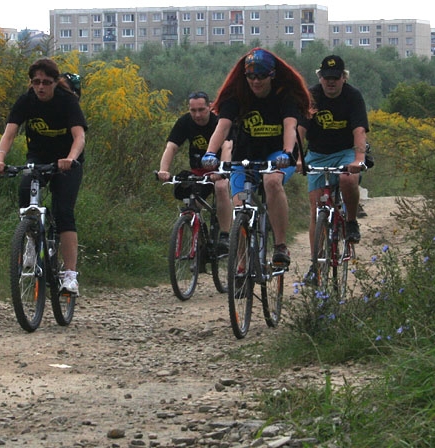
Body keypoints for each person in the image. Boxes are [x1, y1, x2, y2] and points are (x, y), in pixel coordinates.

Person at [201, 47, 312, 268]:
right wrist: (210, 153)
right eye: (251, 76)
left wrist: (289, 153)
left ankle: (280, 245)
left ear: (272, 75)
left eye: (261, 76)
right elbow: (222, 127)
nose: (256, 81)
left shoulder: (284, 96)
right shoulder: (238, 96)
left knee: (272, 181)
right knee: (240, 205)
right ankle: (241, 264)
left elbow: (290, 125)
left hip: (278, 153)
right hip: (245, 155)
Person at [0, 58, 87, 296]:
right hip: (38, 157)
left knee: (64, 212)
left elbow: (79, 137)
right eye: (36, 82)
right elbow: (10, 133)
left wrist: (71, 158)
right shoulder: (26, 101)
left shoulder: (67, 102)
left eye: (46, 82)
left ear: (55, 82)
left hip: (67, 160)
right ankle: (31, 240)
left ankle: (70, 275)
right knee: (25, 189)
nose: (41, 87)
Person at [298, 55, 369, 282]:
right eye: (326, 78)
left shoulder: (353, 96)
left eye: (335, 78)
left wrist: (358, 159)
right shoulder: (312, 96)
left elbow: (359, 130)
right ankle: (315, 265)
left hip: (345, 151)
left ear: (343, 78)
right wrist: (298, 157)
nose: (331, 82)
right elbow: (299, 129)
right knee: (315, 210)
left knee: (348, 179)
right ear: (320, 78)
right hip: (317, 154)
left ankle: (350, 221)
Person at [157, 91, 233, 253]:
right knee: (191, 204)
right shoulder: (184, 122)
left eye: (201, 110)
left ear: (210, 107)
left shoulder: (218, 122)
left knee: (221, 188)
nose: (197, 115)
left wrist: (222, 171)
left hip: (220, 169)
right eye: (193, 111)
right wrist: (164, 170)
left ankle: (225, 235)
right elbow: (171, 147)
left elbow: (227, 146)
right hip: (199, 170)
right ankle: (200, 243)